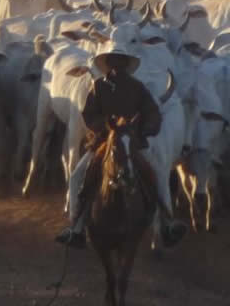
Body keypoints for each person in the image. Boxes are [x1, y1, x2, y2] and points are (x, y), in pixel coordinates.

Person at [55, 46, 188, 249]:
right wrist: (107, 130)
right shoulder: (98, 87)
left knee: (158, 175)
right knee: (77, 178)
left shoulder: (138, 88)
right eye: (114, 61)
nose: (118, 65)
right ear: (108, 64)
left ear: (126, 65)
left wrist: (141, 130)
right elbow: (88, 115)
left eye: (121, 62)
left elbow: (152, 113)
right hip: (103, 142)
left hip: (132, 142)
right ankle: (77, 227)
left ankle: (167, 225)